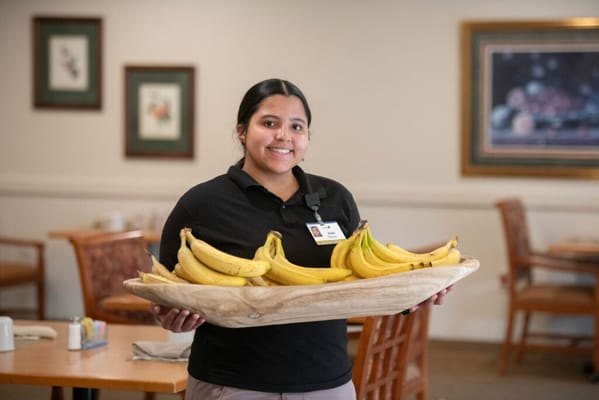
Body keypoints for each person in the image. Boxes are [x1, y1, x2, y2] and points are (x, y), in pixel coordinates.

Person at [152, 78, 450, 400]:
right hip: (233, 384)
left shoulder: (335, 198)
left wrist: (409, 297)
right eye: (269, 123)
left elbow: (360, 280)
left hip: (328, 382)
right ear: (242, 131)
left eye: (297, 126)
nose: (284, 136)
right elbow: (165, 288)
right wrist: (171, 318)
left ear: (307, 137)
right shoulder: (201, 204)